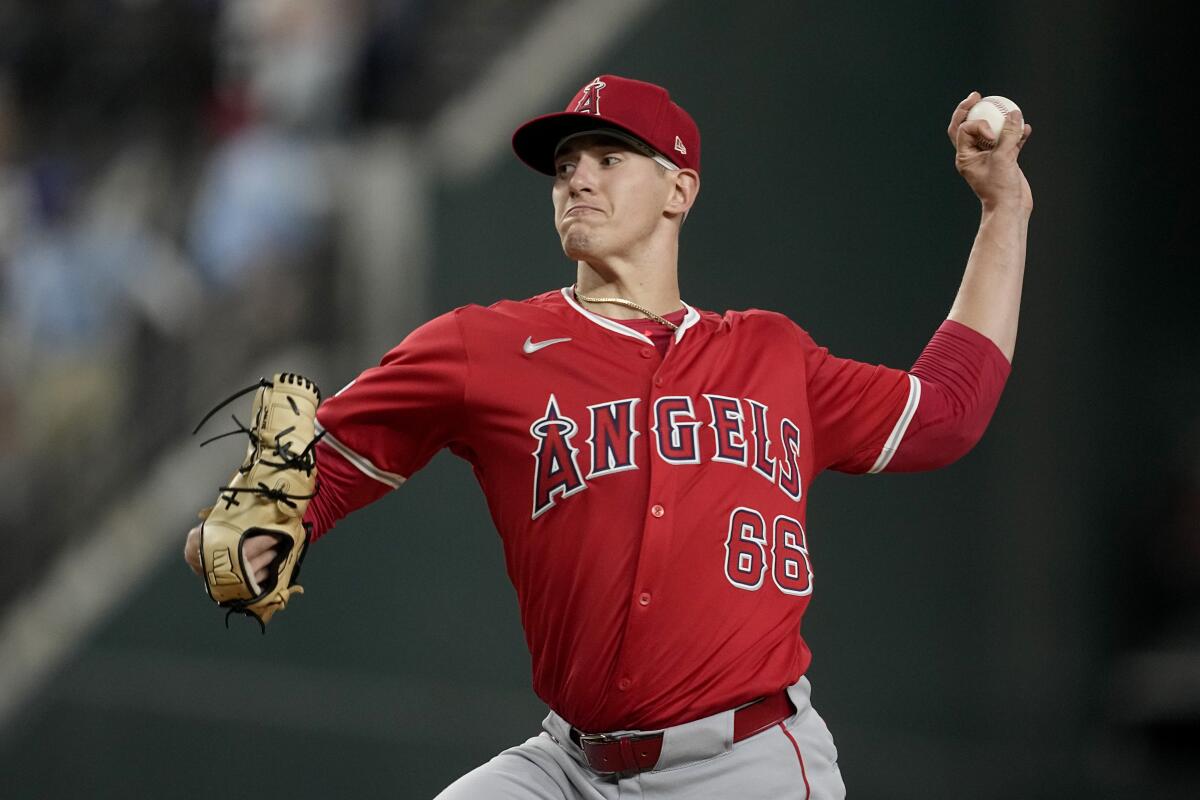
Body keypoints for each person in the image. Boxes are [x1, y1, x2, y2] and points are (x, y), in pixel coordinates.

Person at [185, 74, 1033, 798]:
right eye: (564, 165)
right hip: (571, 766)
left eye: (608, 159)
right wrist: (259, 529)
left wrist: (1006, 207)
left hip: (746, 767)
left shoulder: (772, 354)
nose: (576, 180)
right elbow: (319, 476)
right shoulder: (481, 347)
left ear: (679, 189)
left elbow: (945, 413)